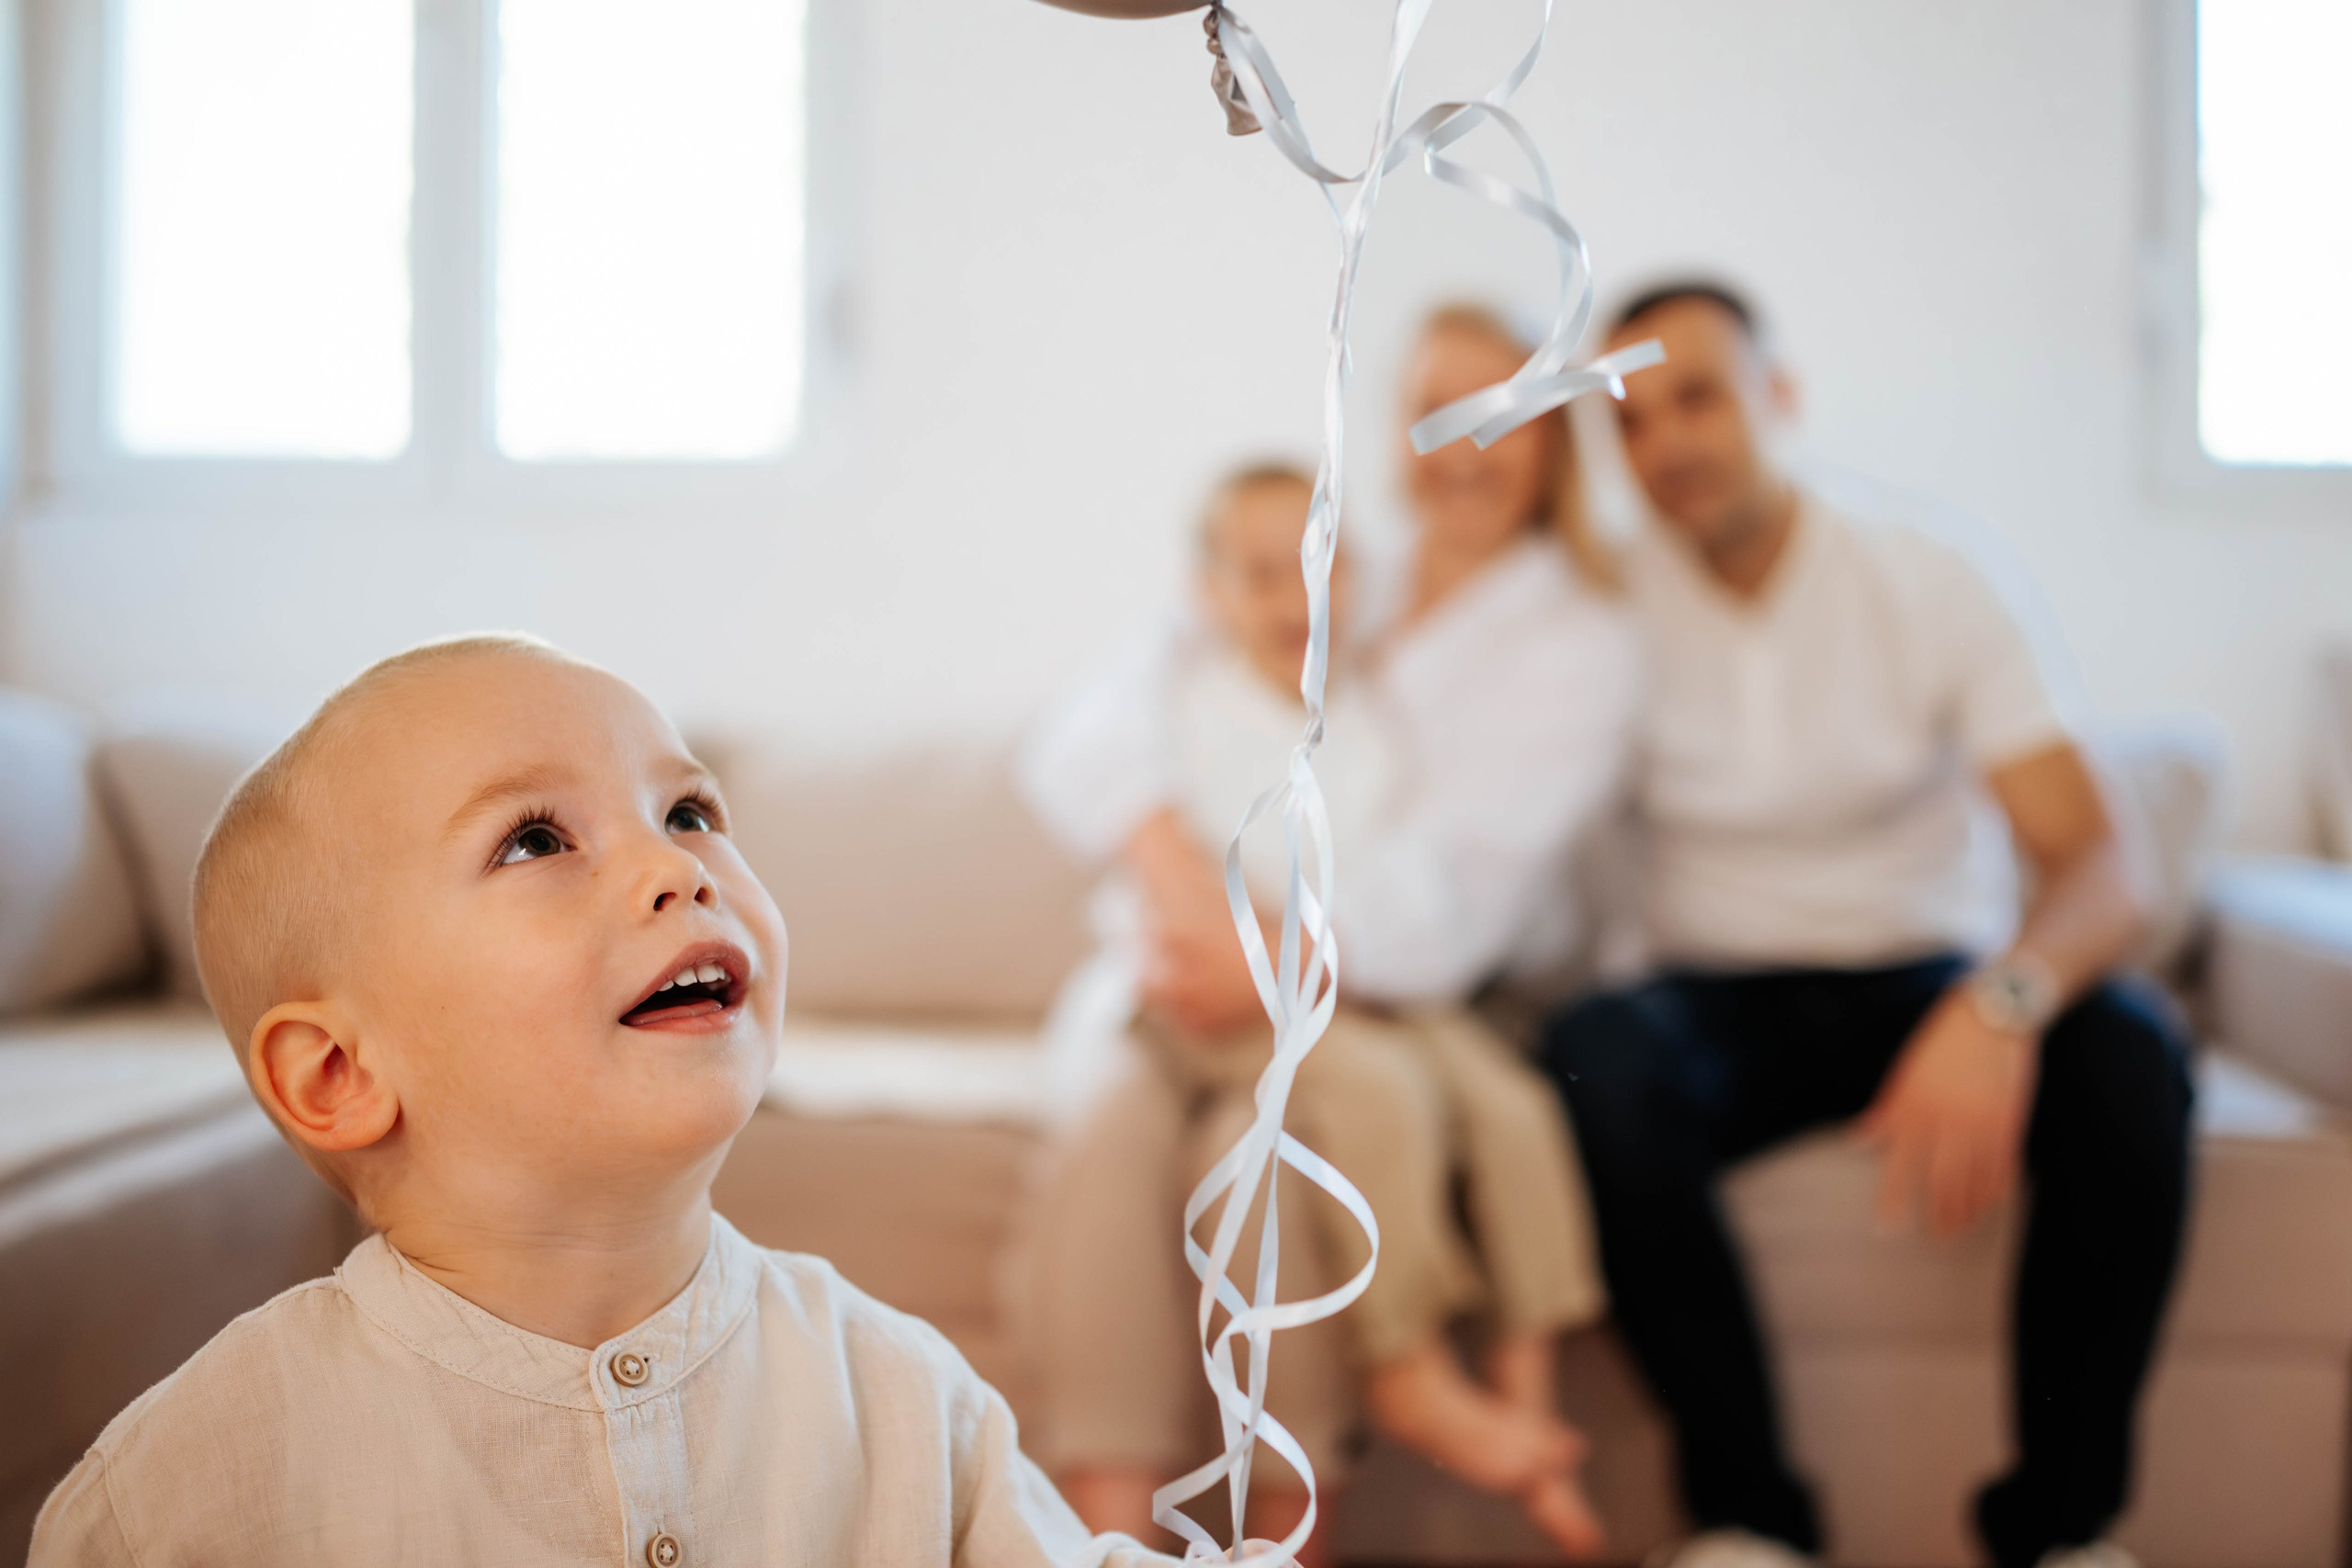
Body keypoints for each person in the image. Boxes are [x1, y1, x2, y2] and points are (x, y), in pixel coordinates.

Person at [28, 635, 1198, 1568]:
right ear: (338, 1074)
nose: (677, 866)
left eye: (689, 812)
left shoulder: (895, 1394)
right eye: (535, 840)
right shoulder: (191, 1489)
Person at [1537, 283, 2195, 1568]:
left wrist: (2000, 1004)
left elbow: (2104, 863)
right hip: (1712, 1000)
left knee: (2128, 1052)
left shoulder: (1929, 571)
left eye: (1699, 396)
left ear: (1780, 395)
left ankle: (2063, 1531)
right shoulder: (1594, 606)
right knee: (1590, 1055)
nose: (1667, 441)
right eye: (1632, 419)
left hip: (1927, 981)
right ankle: (1749, 1525)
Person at [1016, 305, 1639, 1560]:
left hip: (1381, 985)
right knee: (1122, 1139)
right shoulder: (1321, 550)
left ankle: (1350, 1492)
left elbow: (1452, 895)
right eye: (1437, 407)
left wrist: (1262, 953)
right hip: (1202, 971)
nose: (1465, 441)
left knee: (1327, 1147)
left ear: (1555, 436)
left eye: (1502, 408)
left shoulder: (1574, 638)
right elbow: (1102, 728)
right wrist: (1174, 878)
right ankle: (1110, 1535)